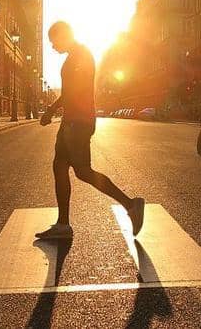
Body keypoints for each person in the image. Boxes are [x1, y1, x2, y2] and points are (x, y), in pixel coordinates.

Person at [37, 21, 145, 240]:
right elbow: (70, 91)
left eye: (53, 40)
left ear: (63, 35)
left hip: (77, 121)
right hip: (73, 120)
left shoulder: (80, 56)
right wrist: (55, 111)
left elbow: (74, 90)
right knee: (60, 167)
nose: (52, 46)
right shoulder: (76, 55)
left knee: (82, 171)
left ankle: (130, 204)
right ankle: (63, 224)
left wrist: (51, 110)